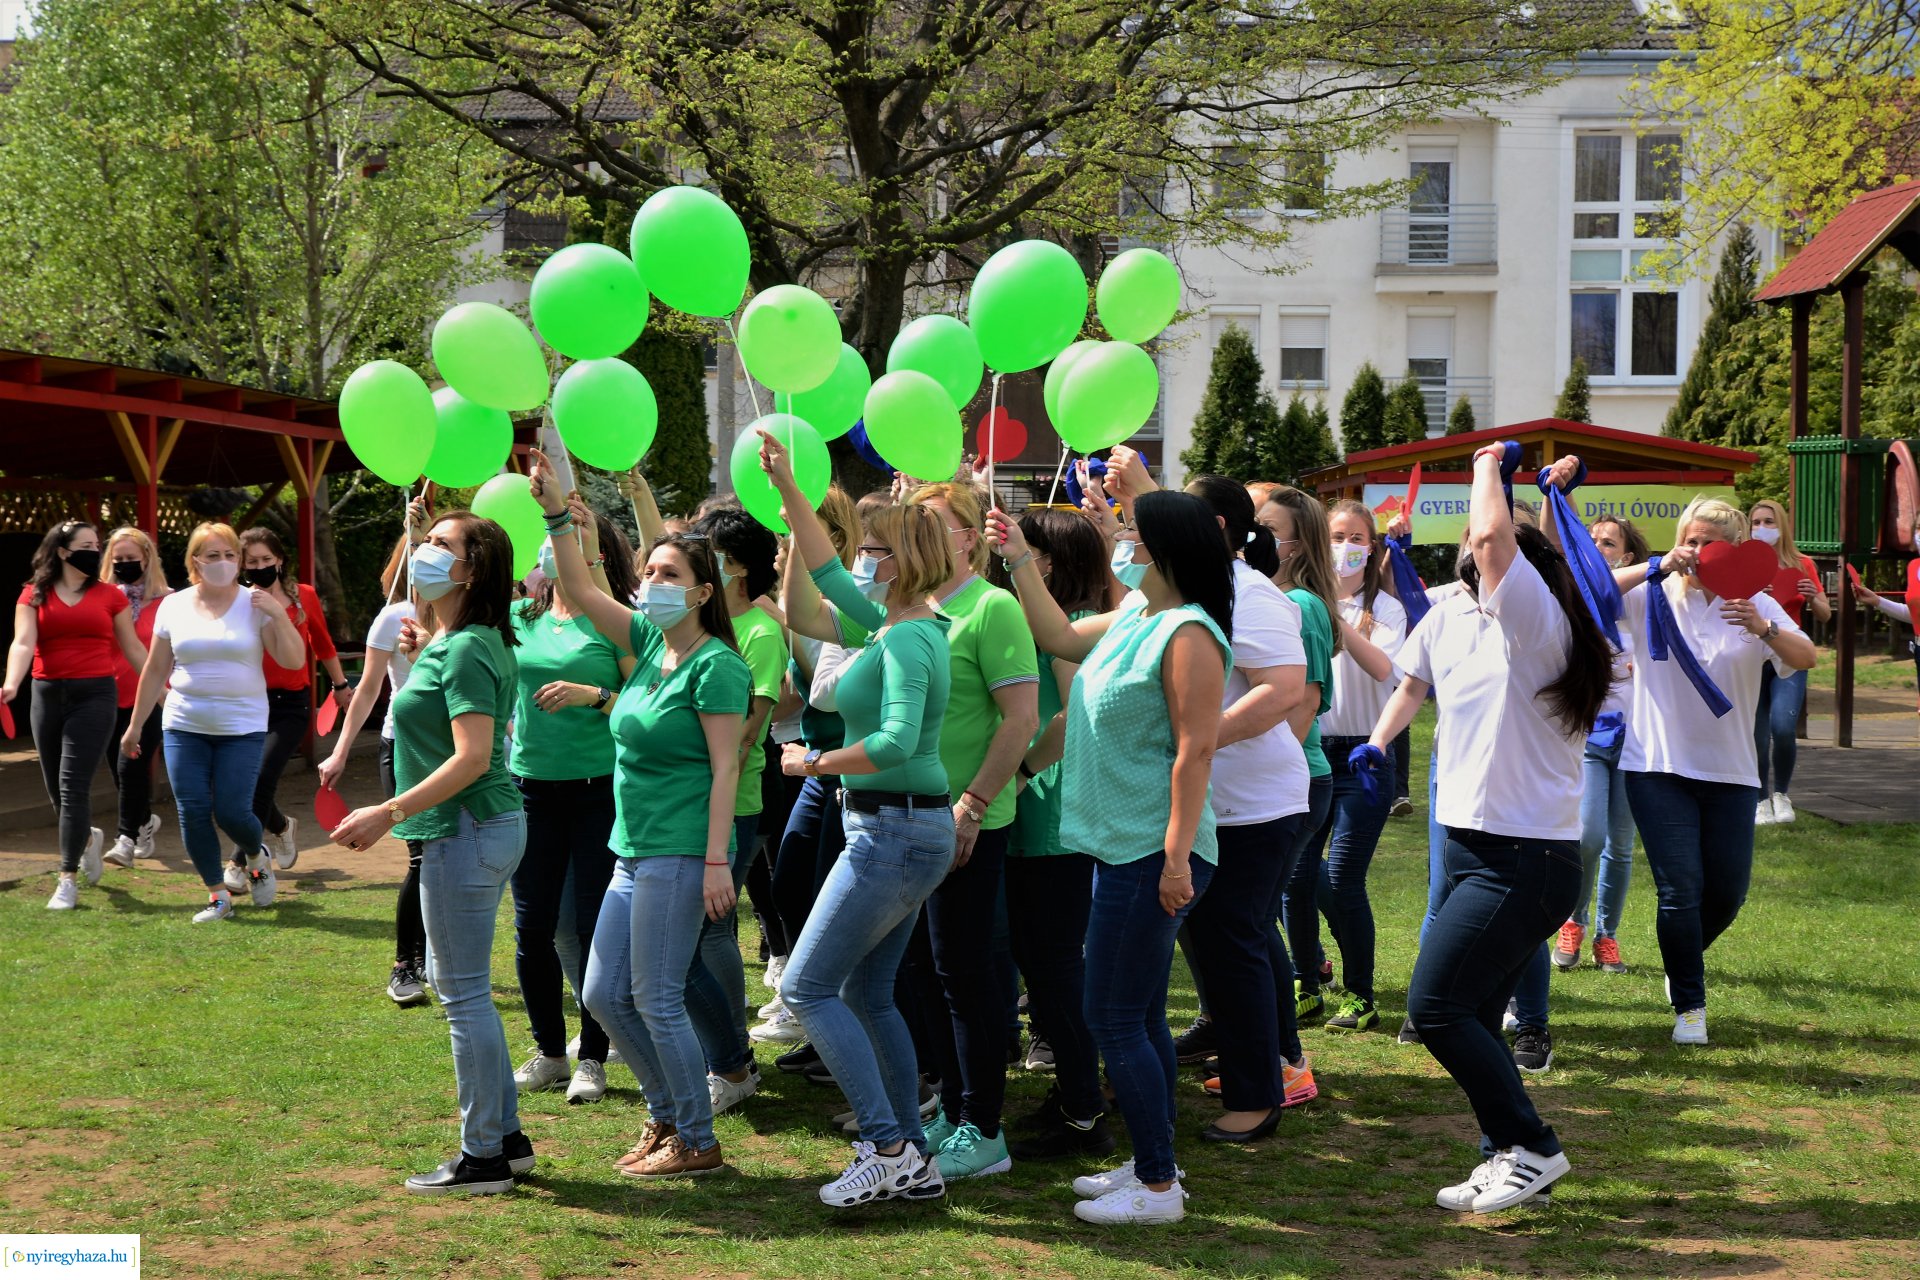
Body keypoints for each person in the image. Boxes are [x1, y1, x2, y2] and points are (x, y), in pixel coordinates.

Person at [1362, 443, 1615, 1214]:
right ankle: (1506, 1153)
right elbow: (1410, 681)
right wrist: (1377, 745)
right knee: (1469, 1013)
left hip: (1524, 860)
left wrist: (1485, 466)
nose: (1472, 560)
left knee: (1432, 1008)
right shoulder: (1461, 620)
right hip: (1476, 847)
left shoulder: (1537, 627)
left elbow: (1494, 540)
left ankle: (1534, 1147)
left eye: (1484, 556)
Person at [1011, 489, 1232, 1226]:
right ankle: (1150, 1162)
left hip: (1151, 854)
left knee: (1109, 1018)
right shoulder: (1140, 614)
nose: (1120, 543)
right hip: (1123, 847)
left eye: (1132, 533)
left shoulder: (1190, 633)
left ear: (1167, 549)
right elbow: (1058, 636)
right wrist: (1015, 556)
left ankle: (1159, 1187)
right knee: (1133, 1016)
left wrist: (1175, 861)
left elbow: (1195, 751)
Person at [529, 453, 748, 1182]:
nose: (652, 584)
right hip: (634, 849)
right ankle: (669, 1116)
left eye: (669, 577)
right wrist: (559, 515)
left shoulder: (717, 665)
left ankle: (697, 1138)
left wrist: (718, 861)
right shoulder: (652, 646)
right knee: (601, 995)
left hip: (682, 852)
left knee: (654, 996)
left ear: (703, 593)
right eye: (649, 573)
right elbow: (584, 586)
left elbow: (726, 766)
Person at [759, 430, 961, 1207]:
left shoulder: (907, 639)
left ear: (905, 562)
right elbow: (819, 569)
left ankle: (885, 1145)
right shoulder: (889, 625)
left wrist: (813, 764)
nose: (862, 561)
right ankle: (911, 1153)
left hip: (895, 832)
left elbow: (897, 741)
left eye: (875, 550)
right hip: (896, 831)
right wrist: (790, 492)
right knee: (869, 996)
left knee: (811, 991)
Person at [327, 507, 531, 1194]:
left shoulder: (469, 645)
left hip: (466, 827)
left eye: (442, 544)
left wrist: (388, 810)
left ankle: (484, 1159)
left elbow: (473, 757)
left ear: (474, 570)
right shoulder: (459, 641)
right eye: (425, 540)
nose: (424, 551)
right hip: (476, 828)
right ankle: (506, 1140)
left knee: (464, 996)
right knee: (465, 992)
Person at [1609, 494, 1816, 1046]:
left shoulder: (1753, 603)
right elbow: (1591, 594)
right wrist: (1655, 564)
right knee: (1681, 889)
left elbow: (1806, 658)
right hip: (1657, 766)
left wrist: (1766, 628)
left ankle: (1681, 962)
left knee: (1727, 892)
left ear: (1732, 550)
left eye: (1709, 543)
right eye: (1690, 540)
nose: (1697, 552)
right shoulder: (1650, 596)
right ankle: (1691, 1009)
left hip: (1732, 774)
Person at [901, 480, 1040, 1181]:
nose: (918, 535)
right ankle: (954, 1106)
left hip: (967, 822)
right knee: (923, 969)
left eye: (933, 524)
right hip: (912, 816)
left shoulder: (993, 609)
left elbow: (1021, 720)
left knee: (963, 972)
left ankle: (984, 1127)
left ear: (967, 536)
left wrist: (975, 802)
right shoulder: (914, 607)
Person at [984, 508, 1118, 1159]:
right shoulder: (1025, 620)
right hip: (1029, 819)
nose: (1009, 557)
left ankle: (1084, 1108)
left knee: (1054, 966)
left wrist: (1022, 771)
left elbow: (1072, 713)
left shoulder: (1065, 631)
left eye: (1024, 548)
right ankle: (1075, 1095)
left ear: (1053, 564)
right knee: (1042, 962)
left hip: (1051, 823)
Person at [505, 509, 638, 1106]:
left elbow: (645, 701)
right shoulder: (516, 618)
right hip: (531, 788)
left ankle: (592, 1057)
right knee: (532, 926)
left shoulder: (619, 625)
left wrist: (596, 695)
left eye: (572, 540)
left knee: (590, 927)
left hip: (598, 790)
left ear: (595, 558)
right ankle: (550, 1053)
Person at [122, 522, 305, 921]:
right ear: (195, 562)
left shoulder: (255, 604)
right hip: (184, 723)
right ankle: (217, 895)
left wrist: (279, 614)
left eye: (229, 556)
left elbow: (294, 660)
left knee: (232, 811)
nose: (223, 563)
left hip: (243, 727)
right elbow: (155, 670)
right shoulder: (173, 605)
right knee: (191, 808)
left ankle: (256, 856)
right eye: (213, 556)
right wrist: (135, 725)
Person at [684, 506, 789, 1116]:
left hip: (742, 799)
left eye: (709, 552)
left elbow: (750, 730)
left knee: (711, 928)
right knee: (709, 929)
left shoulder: (760, 632)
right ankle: (725, 1053)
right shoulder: (706, 624)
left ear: (738, 567)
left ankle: (733, 1058)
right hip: (693, 798)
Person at [1300, 498, 1409, 1033]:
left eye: (1355, 538)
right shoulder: (1298, 601)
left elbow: (1386, 668)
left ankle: (1360, 994)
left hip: (1366, 756)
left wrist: (1337, 623)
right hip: (1309, 752)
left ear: (1372, 548)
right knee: (1295, 877)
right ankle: (1306, 983)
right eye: (1334, 536)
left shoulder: (1386, 610)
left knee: (1343, 879)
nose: (1344, 547)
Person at [6, 519, 148, 909]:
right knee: (56, 792)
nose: (95, 551)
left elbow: (134, 648)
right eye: (87, 545)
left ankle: (67, 878)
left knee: (72, 787)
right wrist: (11, 683)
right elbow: (22, 642)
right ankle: (86, 837)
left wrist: (163, 690)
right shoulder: (33, 594)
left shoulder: (109, 597)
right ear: (64, 551)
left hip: (95, 694)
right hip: (46, 694)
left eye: (97, 545)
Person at [320, 517, 429, 1004]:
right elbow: (366, 691)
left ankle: (441, 960)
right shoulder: (393, 618)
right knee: (422, 858)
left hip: (456, 751)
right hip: (401, 746)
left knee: (451, 860)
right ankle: (407, 964)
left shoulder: (473, 619)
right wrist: (341, 750)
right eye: (426, 551)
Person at [1253, 488, 1340, 1030]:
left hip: (1295, 782)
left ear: (1297, 545)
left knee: (1258, 919)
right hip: (1285, 782)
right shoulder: (1270, 598)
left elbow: (1303, 705)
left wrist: (1260, 772)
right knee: (1259, 918)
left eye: (1268, 529)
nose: (1256, 537)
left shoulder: (1301, 605)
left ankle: (1282, 1051)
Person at [225, 528, 350, 880]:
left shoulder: (303, 596)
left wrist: (340, 685)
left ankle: (238, 861)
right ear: (242, 565)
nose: (261, 566)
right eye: (253, 562)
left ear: (280, 560)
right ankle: (280, 827)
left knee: (263, 776)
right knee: (247, 781)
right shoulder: (237, 600)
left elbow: (323, 644)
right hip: (248, 702)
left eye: (267, 559)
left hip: (291, 704)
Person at [1553, 515, 1648, 974]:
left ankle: (1607, 936)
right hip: (1590, 737)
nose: (1596, 548)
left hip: (1634, 742)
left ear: (1627, 557)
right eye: (1591, 541)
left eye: (1607, 544)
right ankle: (1573, 920)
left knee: (1622, 846)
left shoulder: (1645, 605)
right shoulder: (1576, 597)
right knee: (1588, 838)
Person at [1746, 499, 1829, 826]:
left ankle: (1781, 793)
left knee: (1782, 727)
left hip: (1788, 656)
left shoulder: (1802, 563)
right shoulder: (1747, 562)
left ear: (1781, 525)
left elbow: (1824, 614)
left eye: (1768, 521)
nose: (1762, 528)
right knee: (1755, 732)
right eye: (1756, 522)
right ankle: (1760, 798)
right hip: (1752, 655)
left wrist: (1812, 597)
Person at [99, 527, 170, 867]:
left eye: (132, 558)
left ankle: (125, 838)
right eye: (119, 559)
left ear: (147, 558)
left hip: (155, 696)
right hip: (110, 694)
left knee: (132, 764)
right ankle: (144, 822)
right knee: (118, 768)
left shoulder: (168, 600)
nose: (125, 564)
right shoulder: (104, 599)